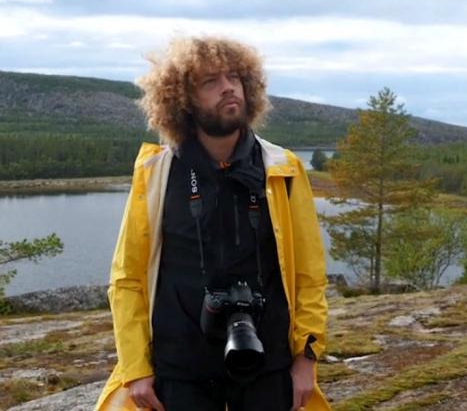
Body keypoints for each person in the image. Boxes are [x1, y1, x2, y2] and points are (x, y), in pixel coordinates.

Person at [95, 36, 330, 411]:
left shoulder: (283, 169)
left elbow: (309, 274)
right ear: (182, 100)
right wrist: (135, 367)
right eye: (210, 82)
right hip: (180, 366)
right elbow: (127, 277)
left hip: (266, 361)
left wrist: (306, 359)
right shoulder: (156, 172)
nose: (227, 88)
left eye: (234, 77)